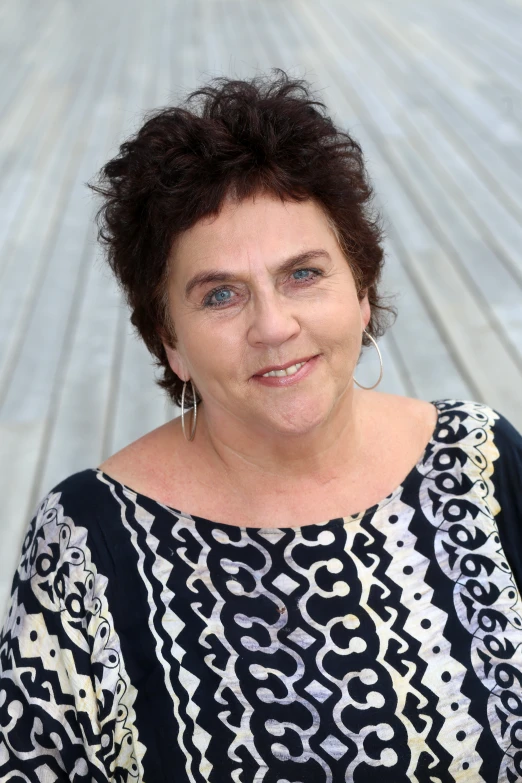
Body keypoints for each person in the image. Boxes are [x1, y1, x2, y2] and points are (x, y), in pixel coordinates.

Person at [1, 70, 522, 783]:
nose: (274, 326)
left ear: (362, 290)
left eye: (304, 273)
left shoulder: (481, 463)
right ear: (171, 340)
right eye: (220, 294)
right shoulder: (88, 543)